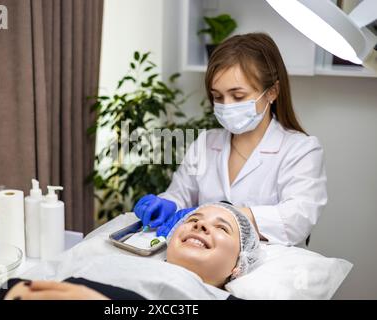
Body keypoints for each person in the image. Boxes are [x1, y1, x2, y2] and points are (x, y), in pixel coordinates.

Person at [134, 32, 327, 246]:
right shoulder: (205, 143)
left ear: (272, 92)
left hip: (265, 269)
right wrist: (165, 204)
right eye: (217, 97)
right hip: (202, 262)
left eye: (238, 96)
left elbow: (296, 219)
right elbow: (180, 197)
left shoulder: (301, 149)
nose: (226, 105)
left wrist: (220, 214)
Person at [0, 202, 260, 300]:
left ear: (238, 266)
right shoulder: (107, 259)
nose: (200, 224)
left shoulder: (209, 296)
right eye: (191, 220)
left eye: (222, 228)